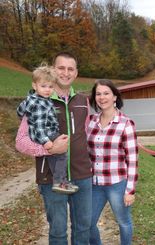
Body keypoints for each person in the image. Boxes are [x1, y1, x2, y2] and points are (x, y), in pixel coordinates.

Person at [15, 52, 92, 244]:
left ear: (76, 73)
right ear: (53, 70)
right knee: (58, 232)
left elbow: (88, 135)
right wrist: (49, 150)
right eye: (61, 68)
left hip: (82, 176)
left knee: (83, 229)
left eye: (70, 69)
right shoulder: (38, 101)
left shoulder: (83, 101)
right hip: (50, 179)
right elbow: (21, 141)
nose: (65, 73)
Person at [87, 79, 138, 245]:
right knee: (88, 223)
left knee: (123, 222)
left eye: (106, 93)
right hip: (95, 184)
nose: (102, 97)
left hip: (117, 184)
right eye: (98, 94)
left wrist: (130, 190)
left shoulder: (125, 123)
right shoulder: (91, 122)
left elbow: (132, 160)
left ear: (115, 96)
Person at [17, 64, 79, 194]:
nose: (47, 90)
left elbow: (20, 110)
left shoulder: (31, 99)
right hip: (45, 134)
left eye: (51, 87)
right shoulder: (40, 103)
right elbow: (39, 127)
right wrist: (46, 141)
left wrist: (23, 114)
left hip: (45, 133)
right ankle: (59, 181)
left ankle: (58, 181)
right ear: (35, 86)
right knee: (62, 153)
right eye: (43, 86)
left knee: (54, 156)